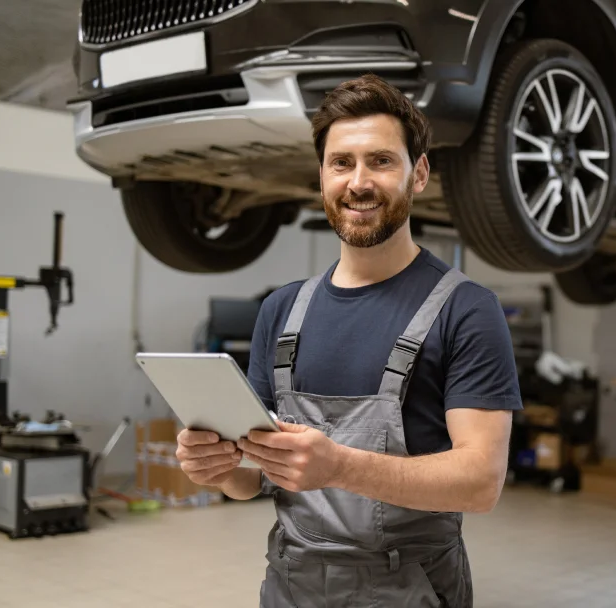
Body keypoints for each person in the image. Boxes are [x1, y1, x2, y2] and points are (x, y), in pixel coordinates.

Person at [174, 74, 523, 607]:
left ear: (419, 173)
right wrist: (218, 467)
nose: (359, 182)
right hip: (291, 585)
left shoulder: (467, 309)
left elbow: (481, 483)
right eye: (342, 163)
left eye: (381, 161)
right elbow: (251, 480)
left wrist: (339, 466)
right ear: (322, 178)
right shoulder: (282, 310)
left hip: (409, 590)